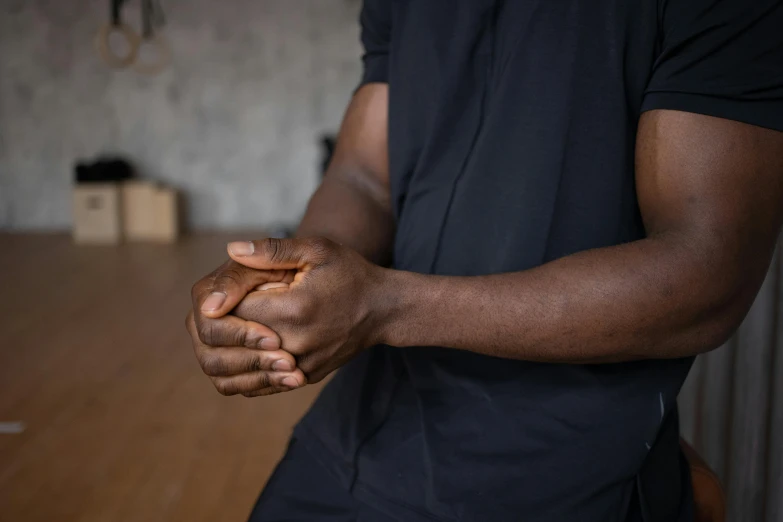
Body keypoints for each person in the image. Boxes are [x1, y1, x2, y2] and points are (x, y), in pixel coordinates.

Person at [185, 1, 783, 520]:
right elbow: (363, 178)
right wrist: (283, 280)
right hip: (365, 423)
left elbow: (708, 270)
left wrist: (386, 308)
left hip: (558, 470)